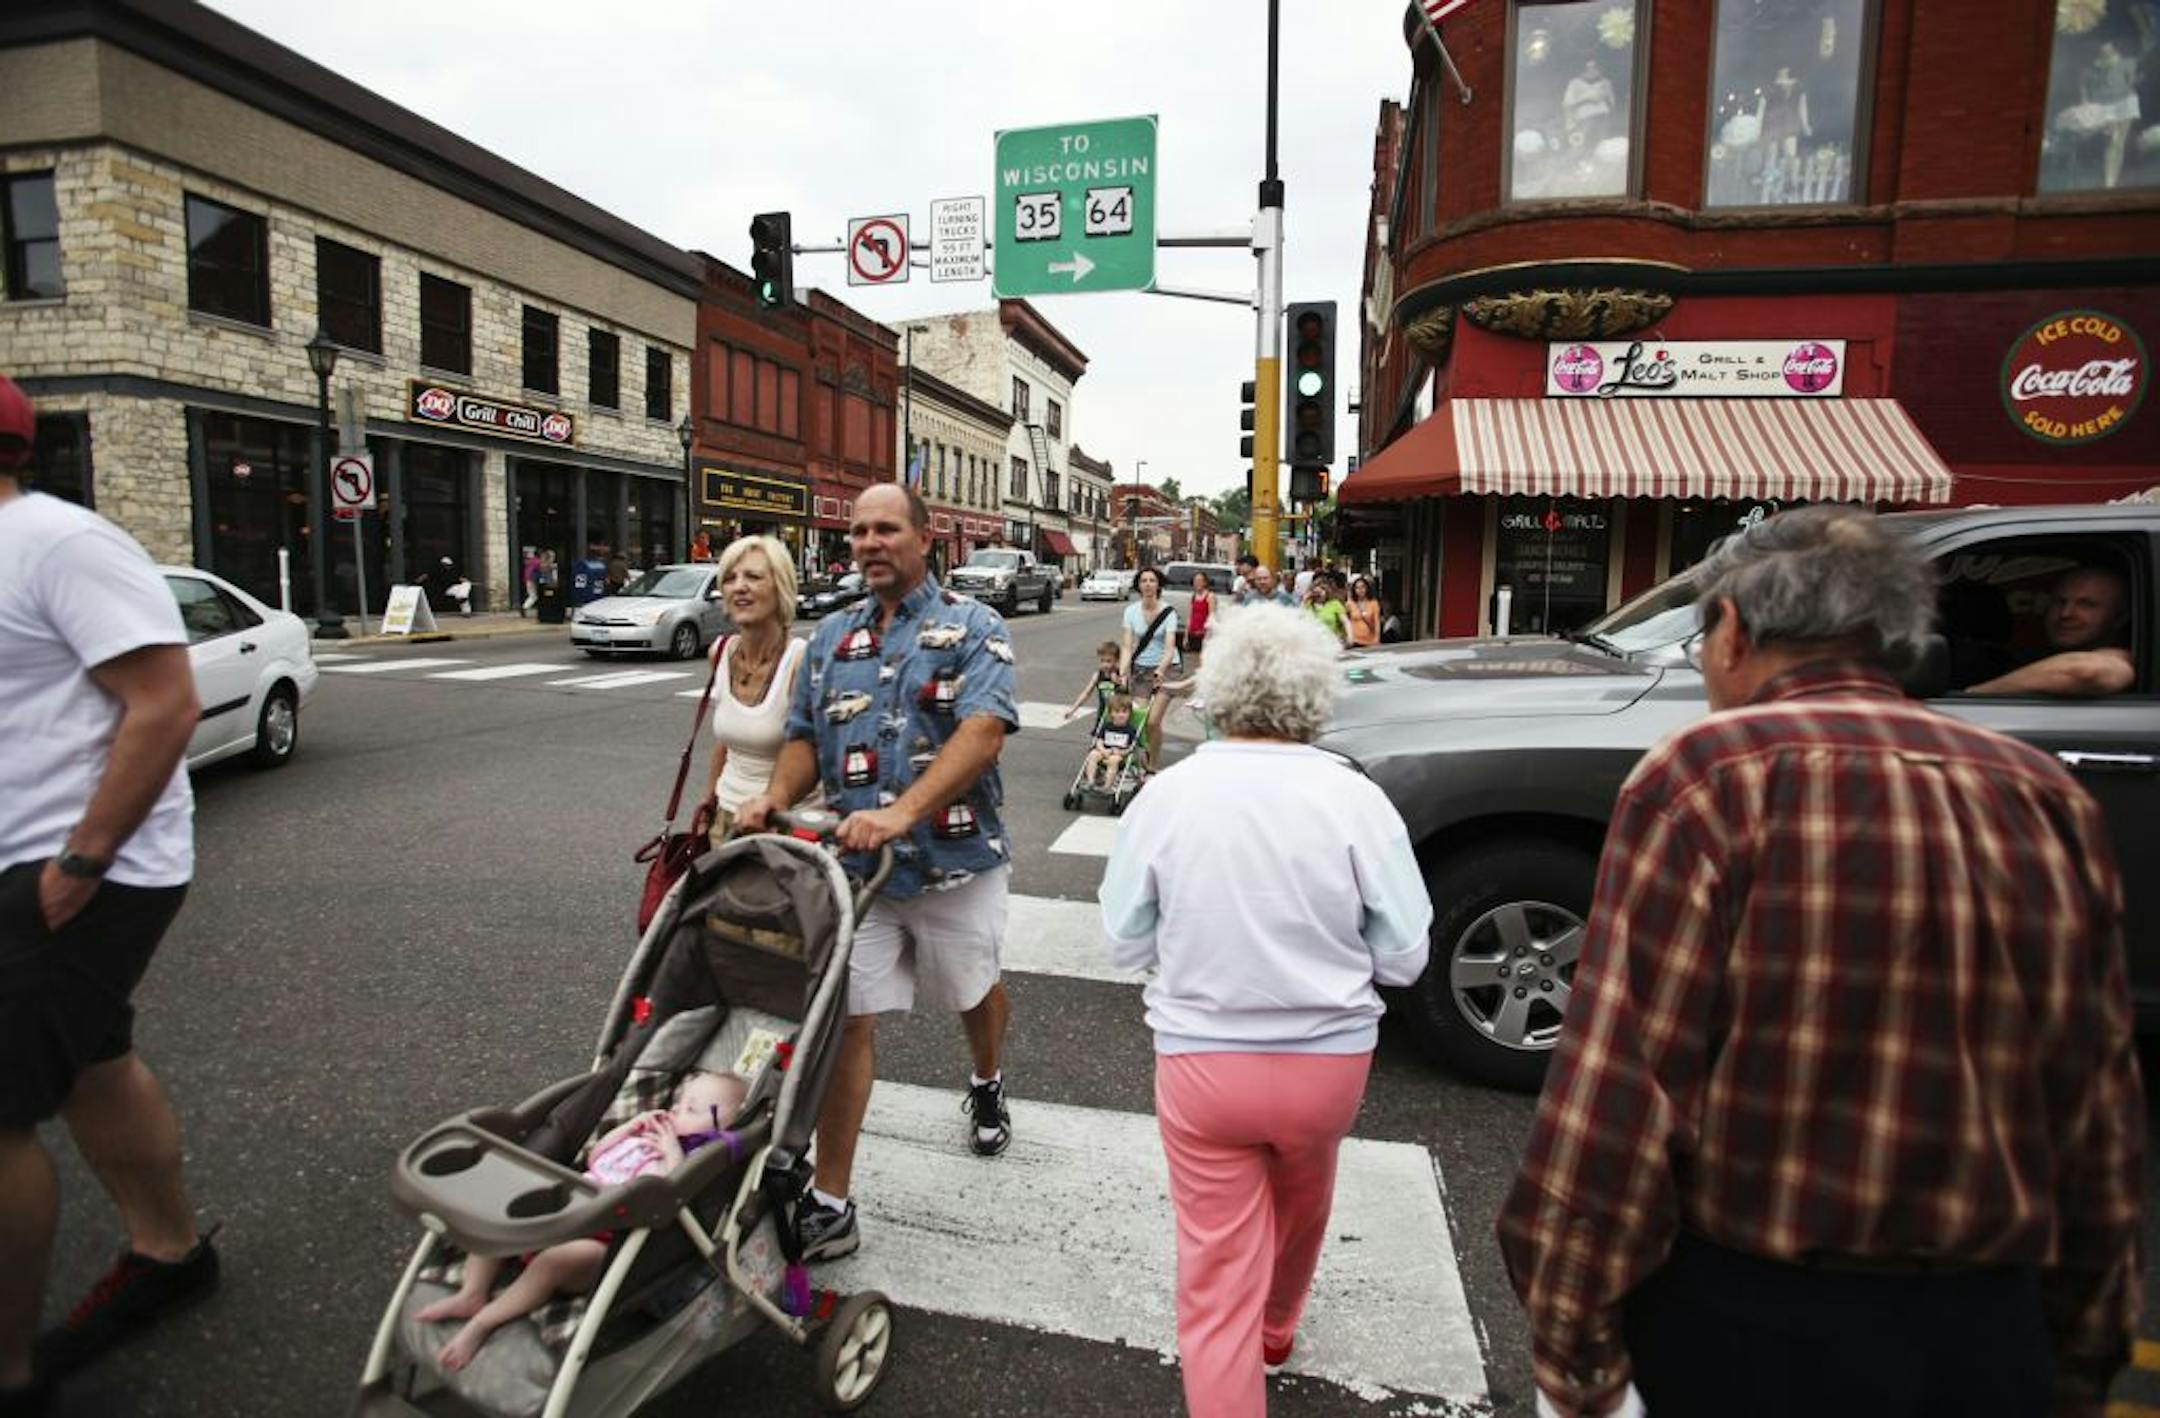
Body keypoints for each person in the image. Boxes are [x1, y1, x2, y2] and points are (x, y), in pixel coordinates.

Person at [1497, 507, 2144, 1418]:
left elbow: (1619, 1098)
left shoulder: (1712, 775)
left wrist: (1574, 1355)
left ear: (1733, 632)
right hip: (1989, 1324)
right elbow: (2097, 1109)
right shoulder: (2040, 793)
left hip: (1759, 1324)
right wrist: (2083, 1346)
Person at [1099, 604, 1433, 1418]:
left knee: (1213, 1278)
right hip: (1328, 1065)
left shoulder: (1168, 796)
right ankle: (1280, 1325)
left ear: (1218, 690)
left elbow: (1122, 941)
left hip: (1205, 1061)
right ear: (1316, 695)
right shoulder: (1356, 799)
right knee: (1306, 1193)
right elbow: (1406, 955)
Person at [0, 374, 218, 1415]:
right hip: (33, 861)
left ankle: (8, 1367)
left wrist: (81, 858)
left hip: (74, 869)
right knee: (92, 1060)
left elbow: (165, 704)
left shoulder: (57, 542)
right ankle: (169, 1251)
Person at [735, 483, 1020, 1262]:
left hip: (955, 862)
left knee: (971, 992)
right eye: (859, 531)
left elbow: (984, 732)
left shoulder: (974, 626)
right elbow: (801, 738)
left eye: (886, 529)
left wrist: (906, 810)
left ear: (925, 538)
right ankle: (833, 1198)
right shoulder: (830, 637)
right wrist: (775, 798)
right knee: (846, 1022)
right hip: (855, 872)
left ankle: (986, 1077)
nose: (868, 542)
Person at [415, 1070, 748, 1373]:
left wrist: (671, 1150)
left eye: (691, 1110)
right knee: (499, 1214)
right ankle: (472, 1292)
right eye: (678, 1102)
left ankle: (483, 1322)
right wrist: (627, 1129)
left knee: (556, 1260)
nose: (675, 1111)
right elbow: (595, 1157)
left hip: (603, 1240)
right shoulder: (643, 1136)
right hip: (566, 1210)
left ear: (726, 1124)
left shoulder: (693, 1159)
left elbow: (673, 1191)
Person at [700, 535, 812, 846]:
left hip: (781, 825)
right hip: (725, 818)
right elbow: (724, 743)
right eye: (730, 578)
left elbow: (818, 753)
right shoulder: (720, 652)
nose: (739, 586)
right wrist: (708, 804)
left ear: (781, 587)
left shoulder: (800, 660)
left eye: (753, 576)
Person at [1970, 565, 2135, 697]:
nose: (2066, 613)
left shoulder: (2123, 658)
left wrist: (1973, 696)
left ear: (2120, 617)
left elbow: (2084, 673)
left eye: (2086, 604)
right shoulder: (2023, 658)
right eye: (2059, 602)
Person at [1120, 567, 1182, 775]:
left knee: (1154, 720)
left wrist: (1161, 670)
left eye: (1152, 581)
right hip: (1140, 670)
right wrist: (1122, 671)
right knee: (1139, 717)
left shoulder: (1168, 612)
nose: (1148, 584)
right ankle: (1143, 756)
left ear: (1158, 585)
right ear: (1138, 585)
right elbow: (1127, 646)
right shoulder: (1131, 611)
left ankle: (1153, 764)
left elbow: (1170, 647)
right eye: (1144, 581)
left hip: (1167, 669)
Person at [1081, 695, 1142, 790]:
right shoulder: (1106, 726)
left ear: (1130, 713)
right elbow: (1099, 741)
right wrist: (1103, 750)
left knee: (1113, 760)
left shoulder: (1130, 730)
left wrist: (1121, 752)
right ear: (1111, 713)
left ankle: (1106, 787)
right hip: (1104, 751)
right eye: (1117, 712)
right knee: (1092, 754)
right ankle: (1090, 781)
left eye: (1124, 712)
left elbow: (1131, 747)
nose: (1121, 715)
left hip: (1120, 754)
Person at [1064, 641, 1124, 722]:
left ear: (1117, 660)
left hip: (1120, 715)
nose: (1105, 664)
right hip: (1103, 714)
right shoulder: (1098, 675)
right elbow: (1086, 693)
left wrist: (1118, 682)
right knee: (1098, 734)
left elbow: (1128, 692)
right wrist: (1072, 710)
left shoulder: (1121, 674)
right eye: (1102, 661)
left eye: (1108, 661)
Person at [1184, 572, 1216, 669]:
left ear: (1205, 582)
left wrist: (1208, 635)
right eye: (1195, 581)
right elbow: (1190, 616)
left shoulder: (1210, 596)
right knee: (1193, 662)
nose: (1197, 583)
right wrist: (1186, 636)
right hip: (1193, 633)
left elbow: (1212, 617)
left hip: (1204, 634)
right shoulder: (1193, 597)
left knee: (1204, 661)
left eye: (1200, 581)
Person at [1306, 574, 1349, 646]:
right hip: (1313, 643)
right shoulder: (1308, 605)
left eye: (1322, 590)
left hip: (1332, 642)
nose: (1319, 594)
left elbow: (1346, 621)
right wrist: (1305, 599)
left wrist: (1350, 637)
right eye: (1316, 592)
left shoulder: (1335, 604)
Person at [1344, 576, 1380, 648]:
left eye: (1362, 587)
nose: (1360, 590)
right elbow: (1346, 622)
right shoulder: (1350, 604)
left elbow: (1377, 623)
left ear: (1367, 588)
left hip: (1370, 641)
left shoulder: (1373, 603)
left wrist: (1377, 639)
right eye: (1357, 588)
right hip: (1355, 641)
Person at [569, 541, 609, 609]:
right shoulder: (598, 566)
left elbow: (580, 585)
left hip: (587, 596)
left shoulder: (582, 566)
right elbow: (600, 583)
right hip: (594, 596)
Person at [519, 546, 541, 618]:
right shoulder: (537, 561)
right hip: (532, 580)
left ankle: (525, 607)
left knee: (532, 595)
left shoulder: (529, 561)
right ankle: (525, 607)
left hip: (528, 579)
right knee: (534, 596)